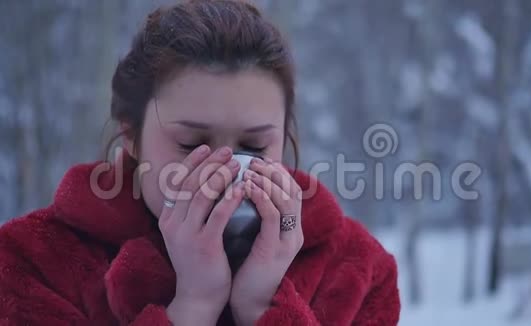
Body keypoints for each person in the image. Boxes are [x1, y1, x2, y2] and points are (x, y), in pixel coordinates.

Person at [0, 0, 400, 325]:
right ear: (131, 137)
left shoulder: (356, 270)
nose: (224, 173)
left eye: (254, 146)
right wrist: (192, 305)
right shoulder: (32, 262)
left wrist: (265, 308)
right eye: (192, 145)